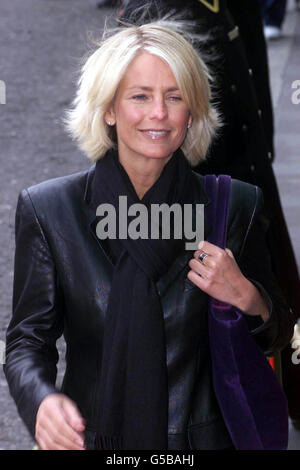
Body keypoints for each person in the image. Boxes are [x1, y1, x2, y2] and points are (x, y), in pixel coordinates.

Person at [4, 21, 294, 451]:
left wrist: (247, 296)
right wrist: (42, 401)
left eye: (174, 97)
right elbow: (28, 340)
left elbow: (279, 332)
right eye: (140, 96)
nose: (159, 113)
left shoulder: (233, 206)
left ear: (191, 112)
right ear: (108, 109)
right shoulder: (51, 211)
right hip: (91, 441)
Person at [122, 0, 300, 429]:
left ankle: (287, 397)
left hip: (251, 179)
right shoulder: (151, 11)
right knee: (216, 329)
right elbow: (141, 130)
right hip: (201, 200)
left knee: (279, 300)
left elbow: (253, 73)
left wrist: (264, 152)